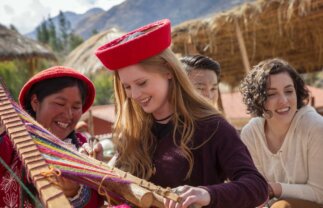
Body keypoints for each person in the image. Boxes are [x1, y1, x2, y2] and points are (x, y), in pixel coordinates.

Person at [94, 19, 268, 208]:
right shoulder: (134, 132)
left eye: (142, 83)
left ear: (169, 71)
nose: (134, 95)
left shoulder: (211, 126)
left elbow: (257, 187)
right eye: (127, 87)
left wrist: (206, 193)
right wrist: (97, 169)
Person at [0, 66, 104, 207]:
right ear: (35, 102)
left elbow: (97, 201)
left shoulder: (84, 148)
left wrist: (74, 192)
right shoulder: (11, 142)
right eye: (60, 104)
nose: (68, 115)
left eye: (75, 107)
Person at [240, 58, 323, 207]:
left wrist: (275, 188)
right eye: (272, 94)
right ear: (259, 99)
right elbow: (255, 190)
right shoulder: (251, 133)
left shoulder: (315, 126)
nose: (284, 100)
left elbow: (319, 193)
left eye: (289, 91)